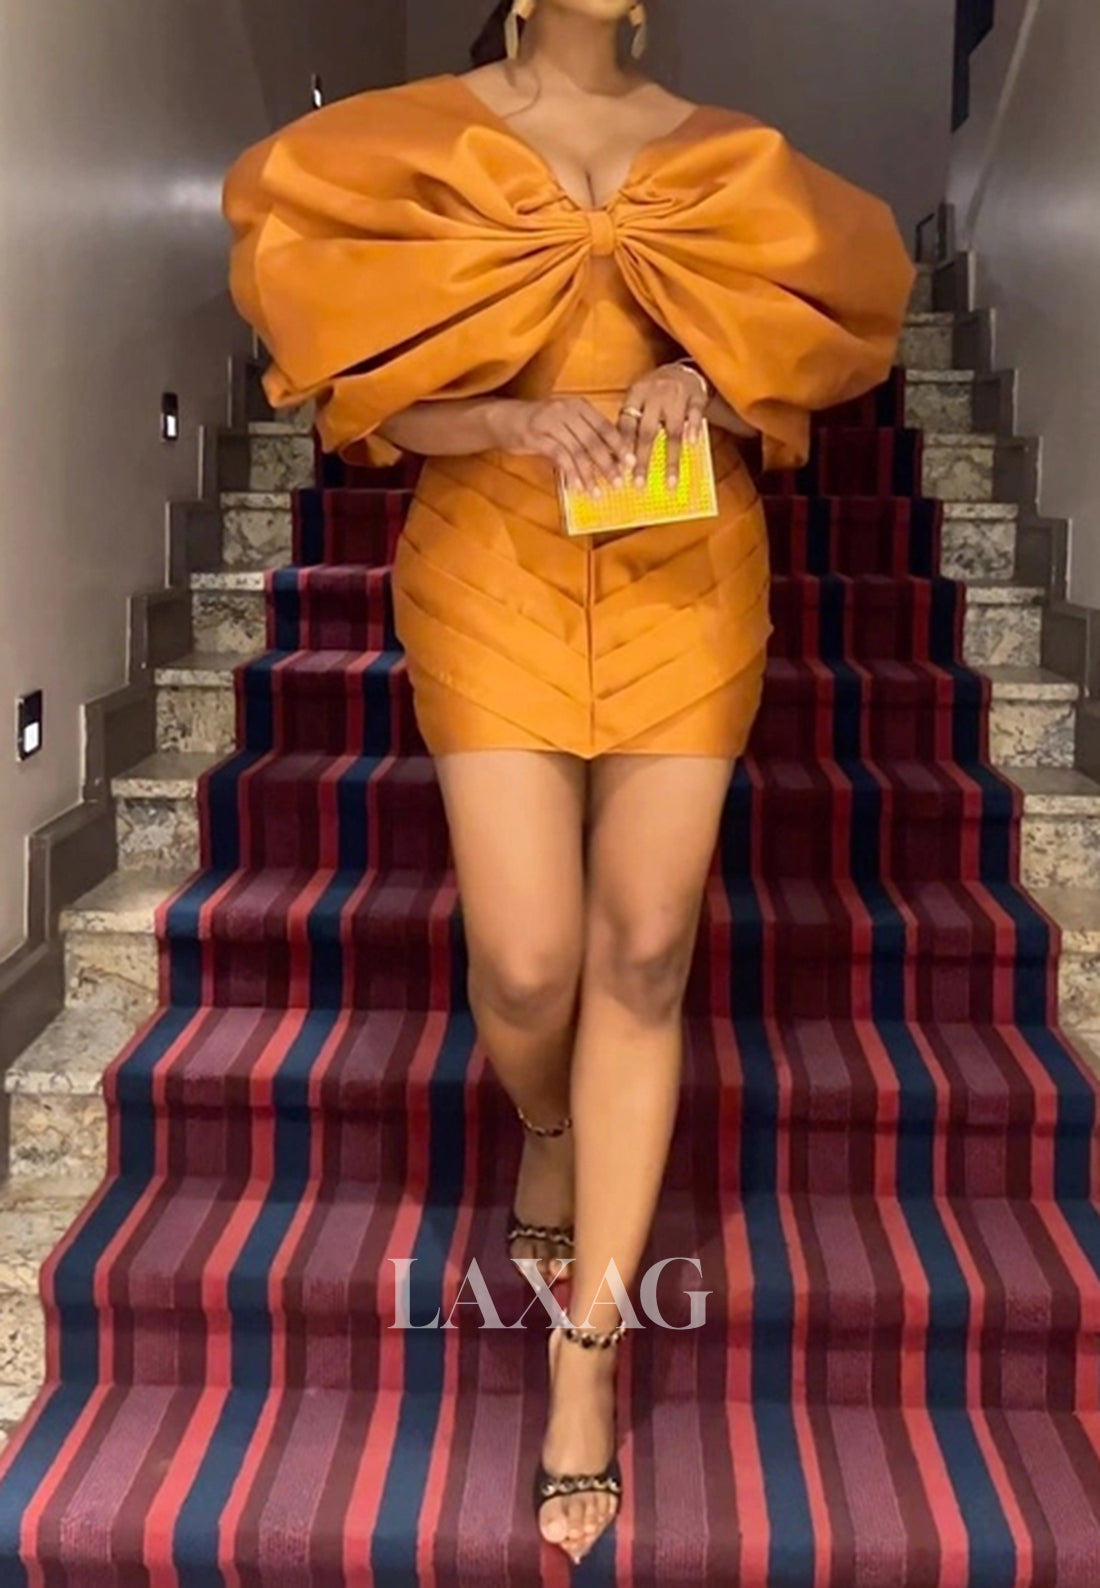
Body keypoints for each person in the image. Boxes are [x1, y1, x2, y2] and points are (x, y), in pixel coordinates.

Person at [223, 0, 915, 1565]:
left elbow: (828, 343)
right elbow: (357, 387)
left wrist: (707, 388)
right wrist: (511, 416)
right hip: (493, 566)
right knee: (530, 961)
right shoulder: (414, 142)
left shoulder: (733, 160)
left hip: (690, 570)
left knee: (647, 952)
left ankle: (584, 1359)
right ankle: (547, 1116)